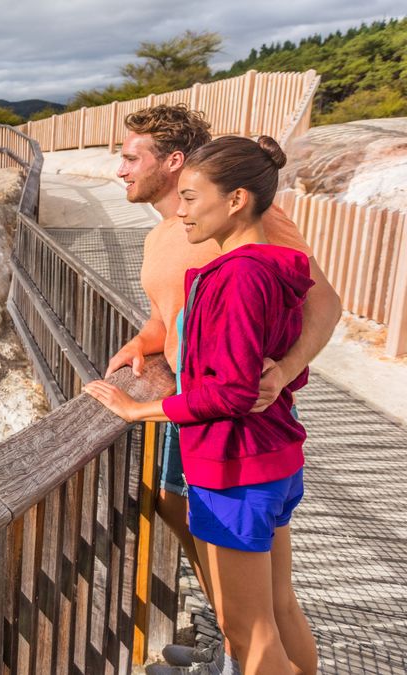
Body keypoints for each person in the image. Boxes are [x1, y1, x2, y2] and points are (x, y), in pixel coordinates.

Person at [107, 105, 340, 674]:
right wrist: (147, 338)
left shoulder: (243, 250)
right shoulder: (180, 237)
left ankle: (234, 650)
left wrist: (140, 410)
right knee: (269, 607)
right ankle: (228, 645)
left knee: (255, 629)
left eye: (132, 156)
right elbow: (176, 316)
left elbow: (318, 306)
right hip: (259, 443)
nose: (120, 168)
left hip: (230, 445)